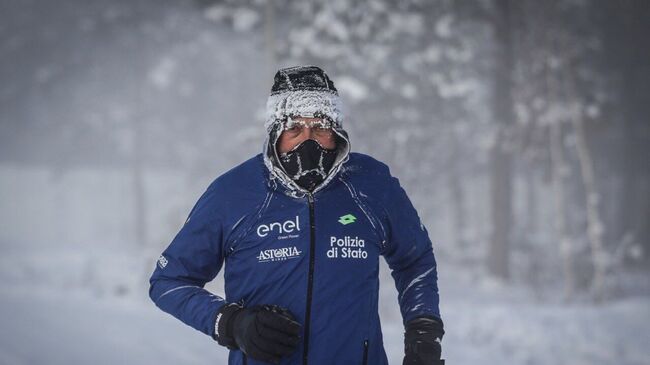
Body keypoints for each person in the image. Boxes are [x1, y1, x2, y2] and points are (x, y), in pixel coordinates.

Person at [148, 65, 445, 365]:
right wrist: (231, 323)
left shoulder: (371, 185)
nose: (309, 141)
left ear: (336, 131)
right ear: (275, 133)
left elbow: (414, 259)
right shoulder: (232, 194)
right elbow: (169, 281)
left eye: (320, 128)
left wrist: (423, 334)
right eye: (294, 129)